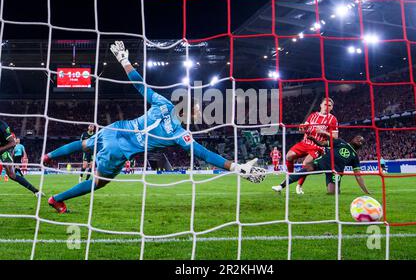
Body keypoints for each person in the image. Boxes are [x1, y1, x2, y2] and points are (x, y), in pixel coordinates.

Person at [43, 41, 265, 213]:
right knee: (99, 182)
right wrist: (235, 167)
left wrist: (124, 60)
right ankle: (57, 199)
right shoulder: (181, 135)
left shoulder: (164, 102)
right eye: (196, 112)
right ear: (189, 114)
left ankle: (48, 156)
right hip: (119, 150)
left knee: (84, 144)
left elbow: (141, 86)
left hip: (116, 129)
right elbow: (204, 154)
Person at [274, 97, 338, 195]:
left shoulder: (332, 119)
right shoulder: (312, 116)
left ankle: (299, 186)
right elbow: (304, 128)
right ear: (320, 105)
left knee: (306, 163)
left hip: (318, 146)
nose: (326, 107)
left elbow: (335, 137)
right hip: (305, 143)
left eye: (329, 105)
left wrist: (323, 132)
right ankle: (290, 177)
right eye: (325, 104)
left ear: (332, 107)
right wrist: (301, 128)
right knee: (288, 156)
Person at [273, 135, 370, 195]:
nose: (359, 140)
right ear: (353, 138)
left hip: (335, 172)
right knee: (306, 169)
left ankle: (336, 188)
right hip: (323, 162)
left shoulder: (355, 157)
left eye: (361, 141)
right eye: (358, 138)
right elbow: (322, 144)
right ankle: (281, 186)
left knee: (333, 193)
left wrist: (366, 191)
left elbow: (358, 175)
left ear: (361, 146)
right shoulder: (340, 142)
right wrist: (314, 140)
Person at [0, 120, 43, 196]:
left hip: (3, 150)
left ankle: (36, 191)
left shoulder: (2, 126)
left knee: (12, 175)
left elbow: (12, 143)